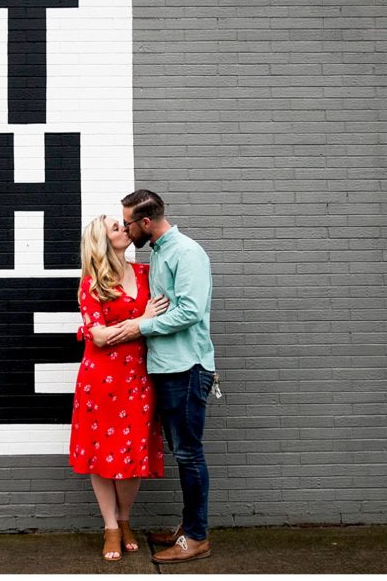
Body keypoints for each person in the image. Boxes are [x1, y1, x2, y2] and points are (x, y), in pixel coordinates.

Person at [107, 189, 217, 565]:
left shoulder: (186, 252)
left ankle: (197, 537)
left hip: (187, 368)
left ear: (146, 223)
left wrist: (140, 325)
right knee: (183, 453)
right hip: (169, 369)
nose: (125, 228)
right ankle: (188, 529)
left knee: (189, 454)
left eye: (128, 223)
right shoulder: (160, 253)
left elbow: (188, 311)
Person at [70, 214, 170, 561]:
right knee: (102, 455)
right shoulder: (92, 284)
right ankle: (110, 526)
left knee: (131, 453)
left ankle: (125, 520)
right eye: (116, 228)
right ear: (102, 241)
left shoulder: (145, 273)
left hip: (139, 379)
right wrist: (141, 320)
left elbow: (166, 314)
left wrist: (138, 324)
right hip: (100, 380)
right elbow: (97, 336)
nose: (124, 229)